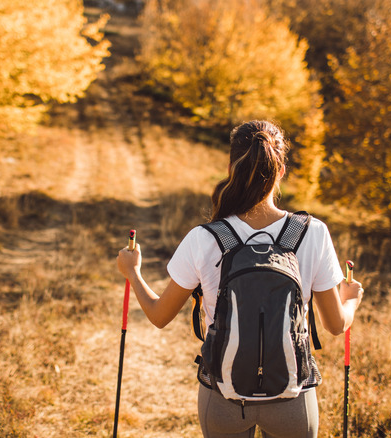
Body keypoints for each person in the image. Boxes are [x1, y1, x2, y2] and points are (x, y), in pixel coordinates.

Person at [116, 120, 364, 438]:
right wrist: (352, 299)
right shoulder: (312, 232)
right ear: (282, 171)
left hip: (223, 394)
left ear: (231, 167)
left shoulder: (204, 238)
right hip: (292, 395)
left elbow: (159, 316)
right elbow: (335, 325)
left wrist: (133, 273)